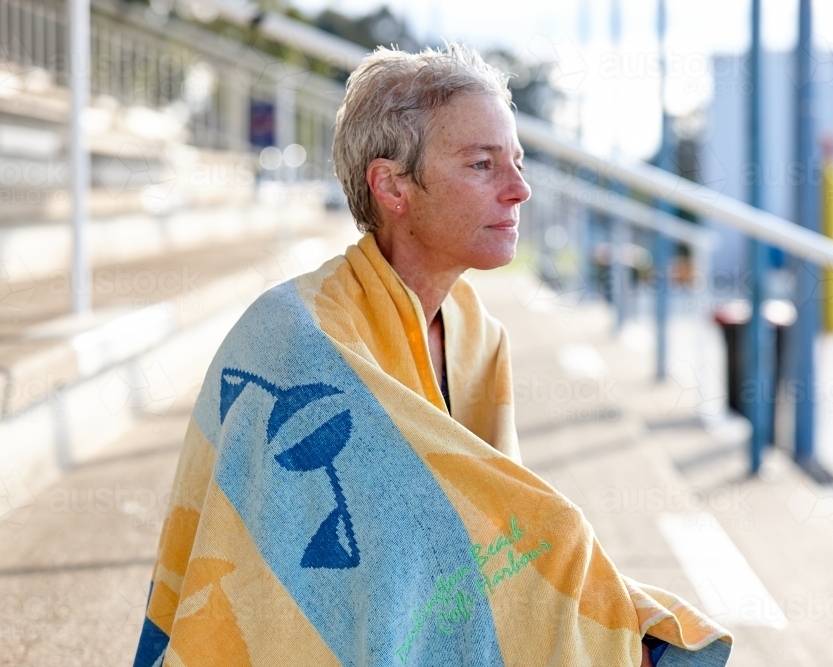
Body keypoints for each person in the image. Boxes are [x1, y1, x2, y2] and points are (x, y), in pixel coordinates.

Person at [133, 43, 731, 667]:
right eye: (482, 164)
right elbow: (380, 556)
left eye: (517, 162)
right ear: (393, 184)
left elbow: (497, 533)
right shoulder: (294, 337)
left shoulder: (478, 332)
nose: (519, 189)